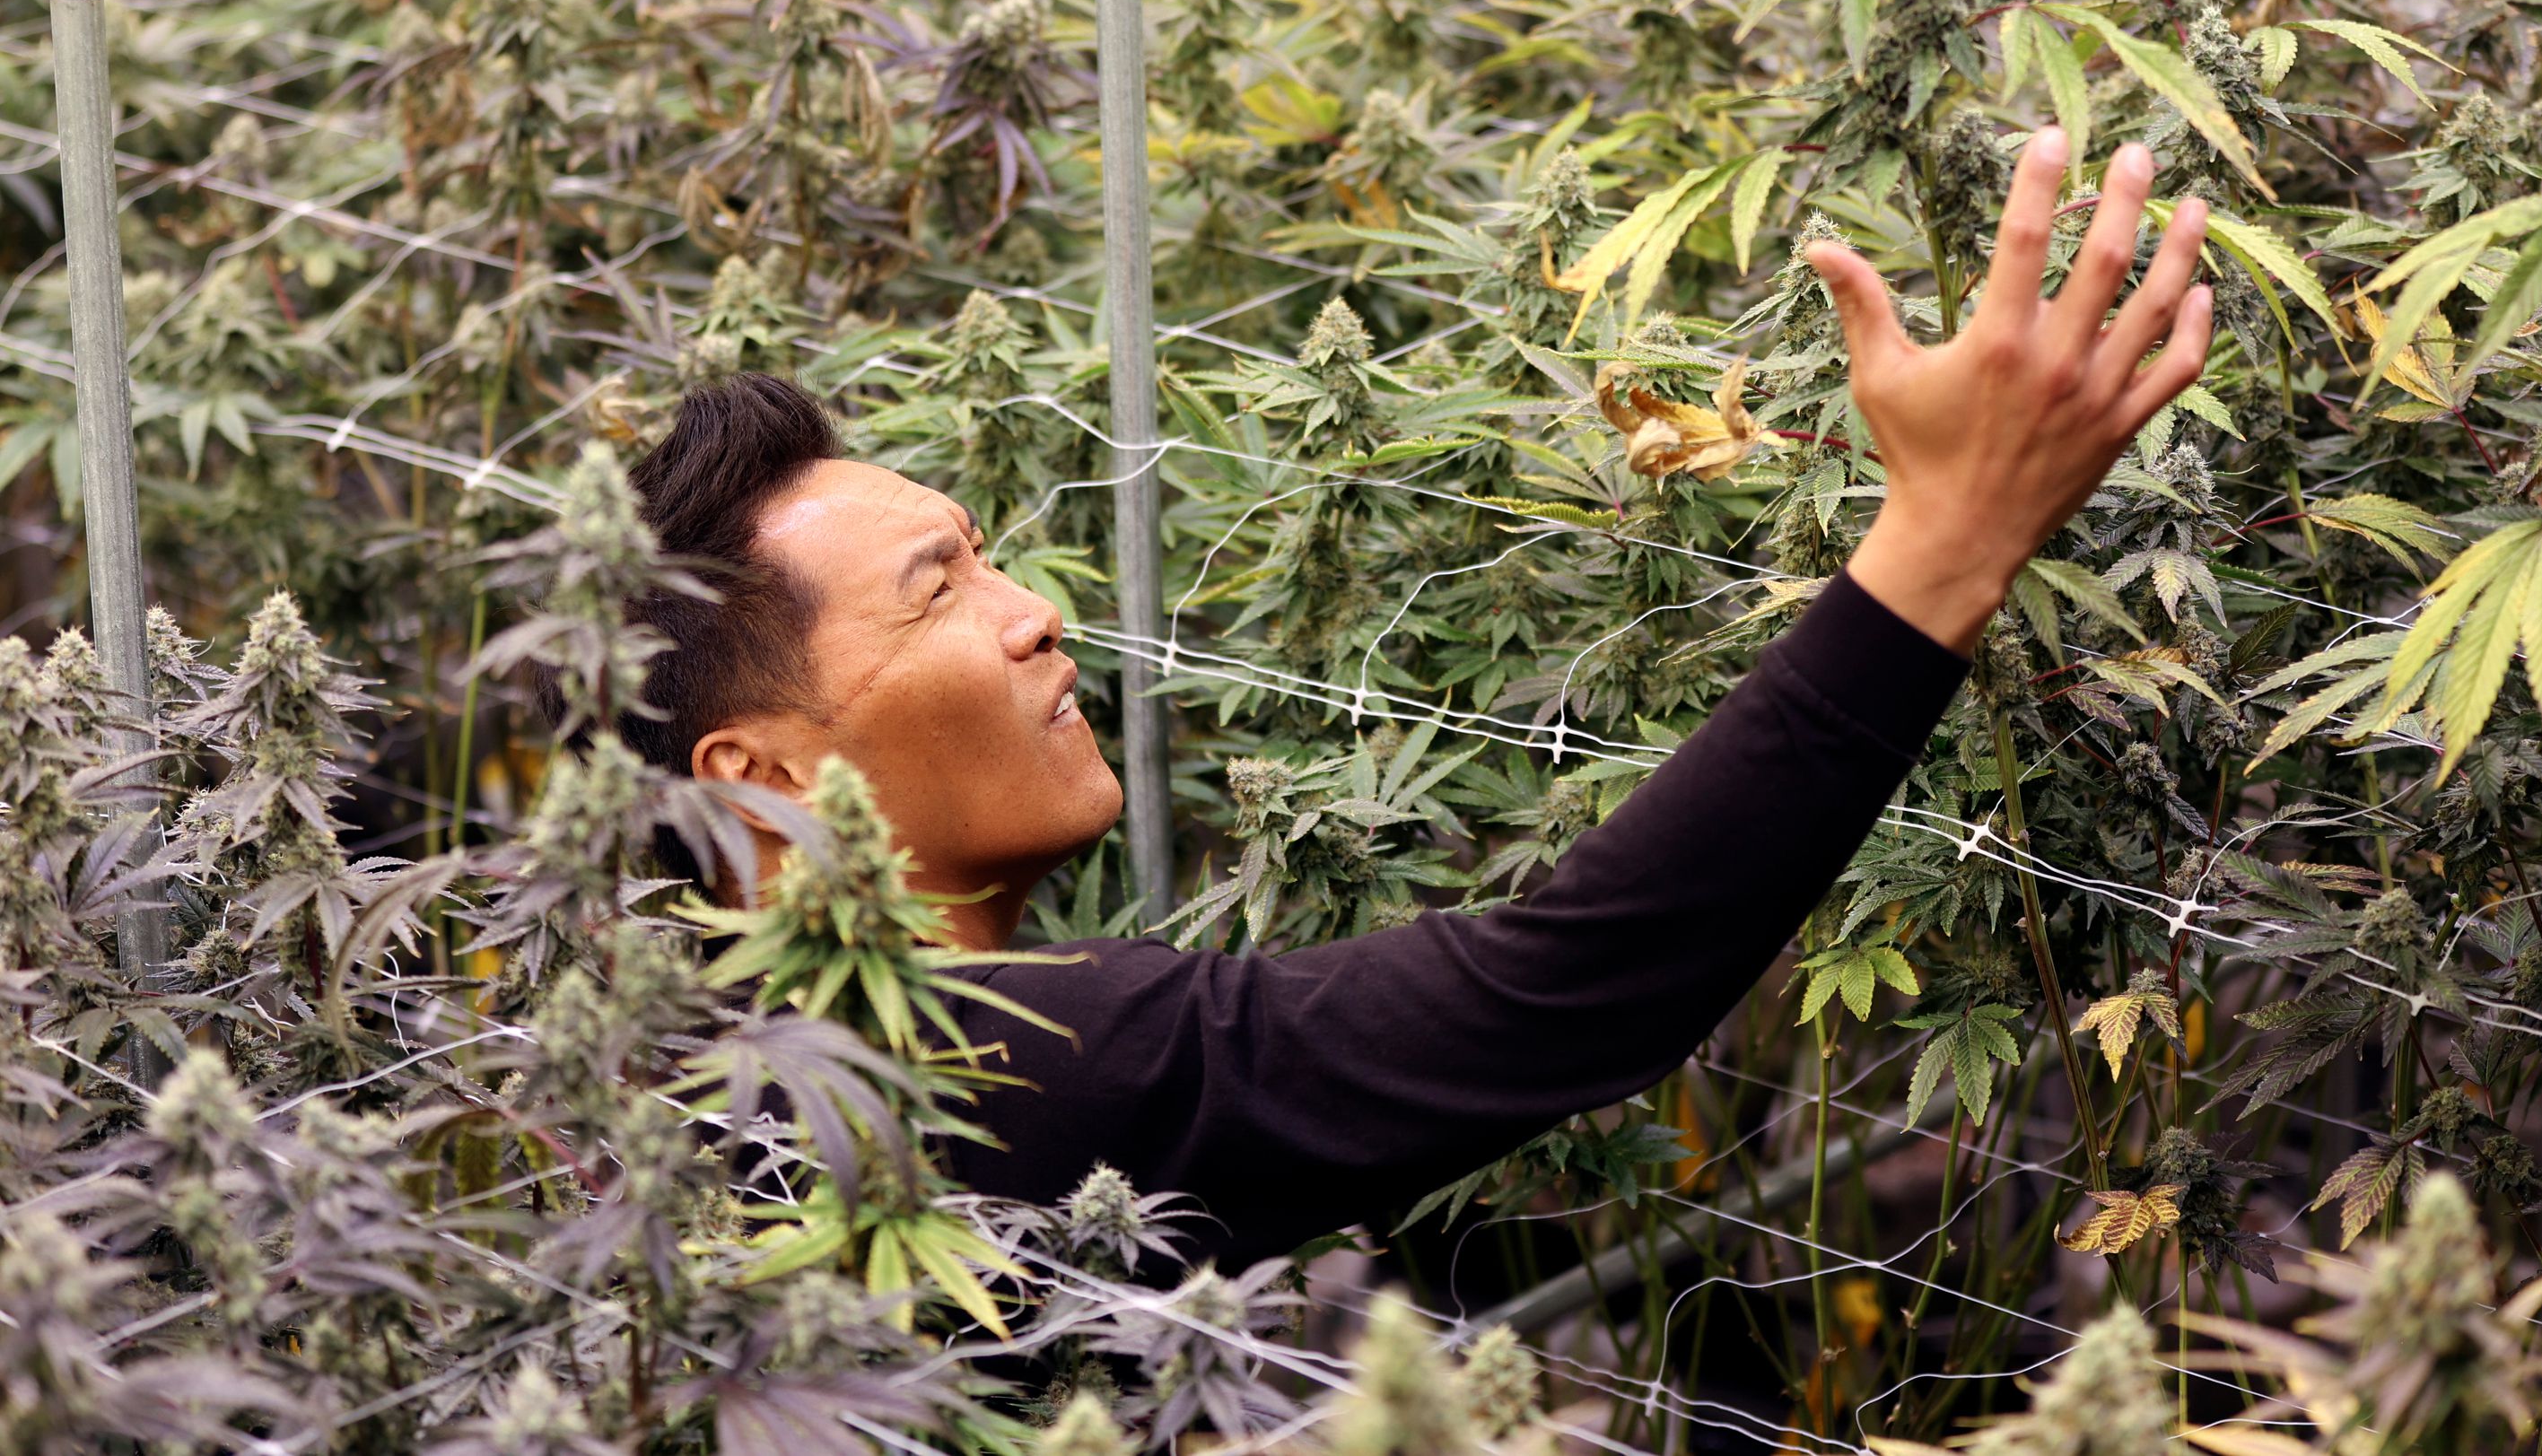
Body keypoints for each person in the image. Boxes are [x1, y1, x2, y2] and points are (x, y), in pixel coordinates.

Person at [613, 130, 2214, 1266]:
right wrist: (1949, 538)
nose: (1036, 615)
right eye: (937, 589)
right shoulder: (1013, 1063)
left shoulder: (651, 1062)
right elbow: (1567, 987)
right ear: (758, 777)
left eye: (991, 558)